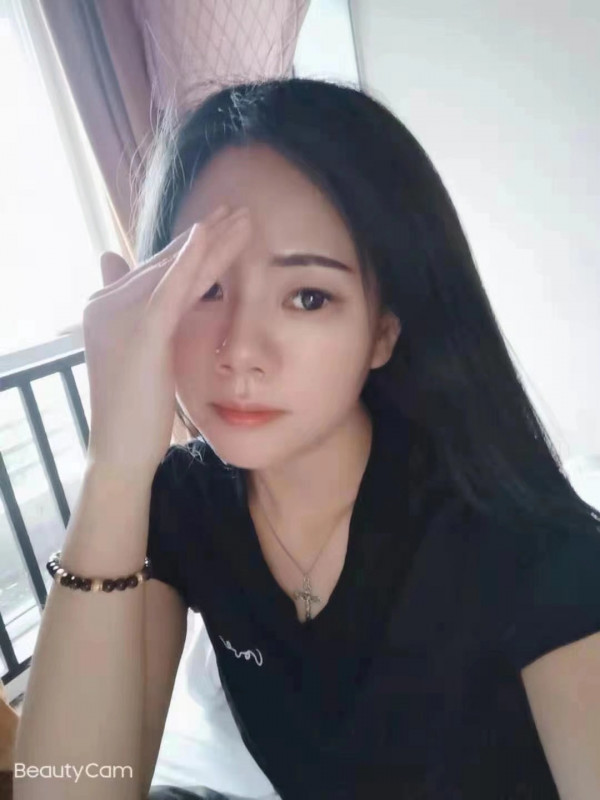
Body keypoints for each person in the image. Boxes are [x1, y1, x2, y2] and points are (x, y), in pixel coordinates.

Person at [13, 78, 600, 800]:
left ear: (383, 331)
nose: (240, 350)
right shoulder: (183, 504)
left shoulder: (522, 544)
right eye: (206, 289)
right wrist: (113, 468)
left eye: (308, 296)